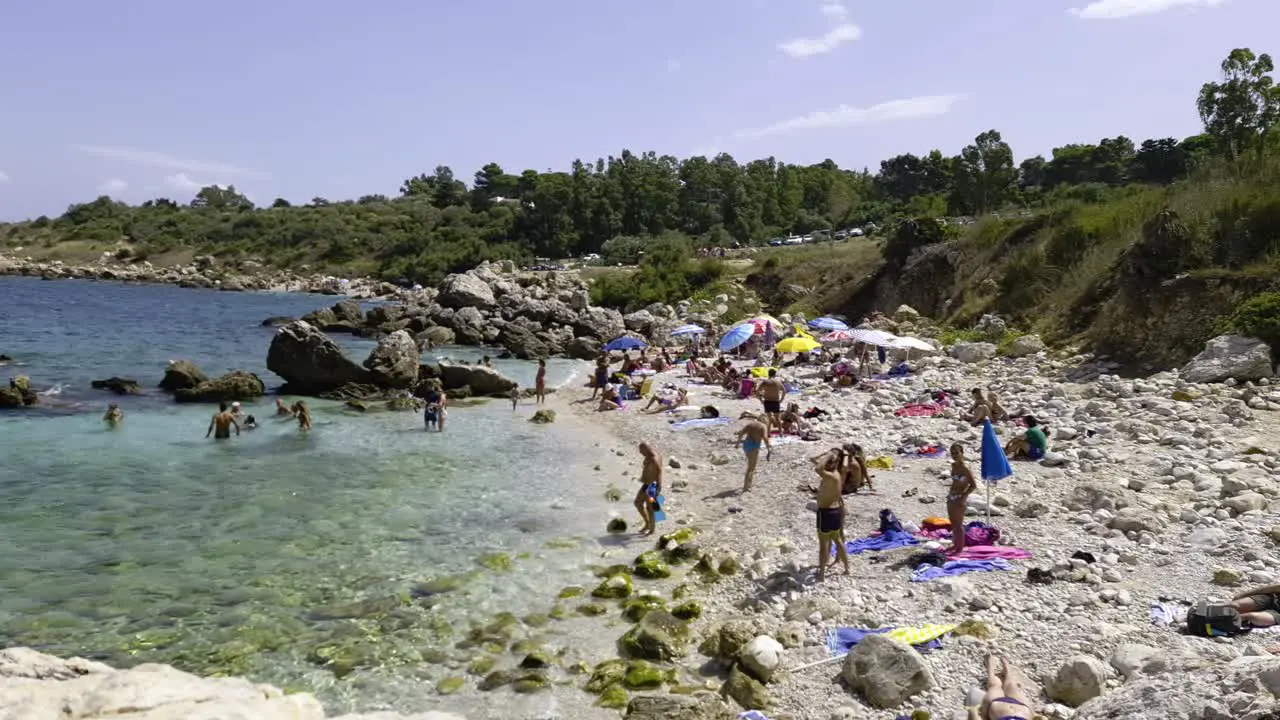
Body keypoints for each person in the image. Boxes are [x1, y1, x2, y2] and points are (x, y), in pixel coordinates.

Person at [815, 448, 851, 582]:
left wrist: (829, 455)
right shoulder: (835, 474)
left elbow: (818, 469)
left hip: (826, 513)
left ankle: (822, 574)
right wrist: (824, 454)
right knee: (837, 540)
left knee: (823, 545)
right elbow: (814, 461)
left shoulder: (831, 475)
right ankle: (847, 567)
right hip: (834, 511)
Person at [968, 654, 1034, 720]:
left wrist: (974, 712)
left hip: (999, 708)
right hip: (1022, 711)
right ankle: (1007, 669)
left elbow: (973, 713)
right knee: (1012, 686)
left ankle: (991, 668)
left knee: (995, 686)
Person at [947, 443, 978, 554]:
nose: (955, 455)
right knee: (953, 523)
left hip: (960, 497)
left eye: (957, 453)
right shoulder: (954, 466)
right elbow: (954, 482)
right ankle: (955, 545)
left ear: (962, 453)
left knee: (959, 525)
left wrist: (963, 497)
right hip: (951, 496)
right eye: (953, 453)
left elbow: (973, 485)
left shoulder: (965, 468)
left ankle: (959, 548)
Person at [734, 415, 772, 492]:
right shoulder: (763, 426)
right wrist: (769, 447)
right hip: (754, 446)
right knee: (751, 468)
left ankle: (748, 484)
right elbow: (765, 437)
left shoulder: (750, 424)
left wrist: (737, 444)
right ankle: (746, 486)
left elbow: (741, 433)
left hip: (746, 445)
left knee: (750, 466)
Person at [634, 442, 663, 536]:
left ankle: (652, 530)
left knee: (650, 508)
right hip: (646, 484)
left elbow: (659, 473)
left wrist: (658, 489)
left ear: (646, 449)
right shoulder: (650, 455)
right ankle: (647, 523)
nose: (640, 452)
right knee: (637, 503)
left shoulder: (654, 460)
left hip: (652, 487)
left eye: (641, 451)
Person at [756, 368, 787, 432]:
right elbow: (784, 391)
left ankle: (768, 433)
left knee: (769, 418)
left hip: (767, 401)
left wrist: (760, 399)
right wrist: (781, 399)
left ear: (768, 374)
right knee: (777, 418)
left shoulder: (765, 382)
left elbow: (757, 391)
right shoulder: (778, 382)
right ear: (774, 374)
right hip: (776, 401)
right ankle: (781, 433)